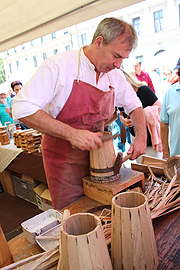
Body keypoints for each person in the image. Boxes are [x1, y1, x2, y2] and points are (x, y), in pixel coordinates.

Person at [13, 17, 147, 210]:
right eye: (116, 56)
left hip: (101, 158)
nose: (118, 65)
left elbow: (134, 105)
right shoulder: (60, 66)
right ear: (99, 42)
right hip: (64, 162)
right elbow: (22, 108)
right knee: (77, 217)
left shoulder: (114, 75)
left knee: (105, 210)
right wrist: (71, 133)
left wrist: (141, 136)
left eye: (123, 59)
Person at [119, 71, 162, 162]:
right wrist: (123, 121)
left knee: (154, 166)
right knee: (140, 166)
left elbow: (159, 108)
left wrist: (140, 116)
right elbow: (121, 113)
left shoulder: (144, 90)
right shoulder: (122, 96)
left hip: (151, 138)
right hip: (135, 136)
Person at [160, 57, 180, 159]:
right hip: (176, 155)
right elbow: (163, 123)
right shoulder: (170, 93)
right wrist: (166, 151)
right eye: (179, 73)